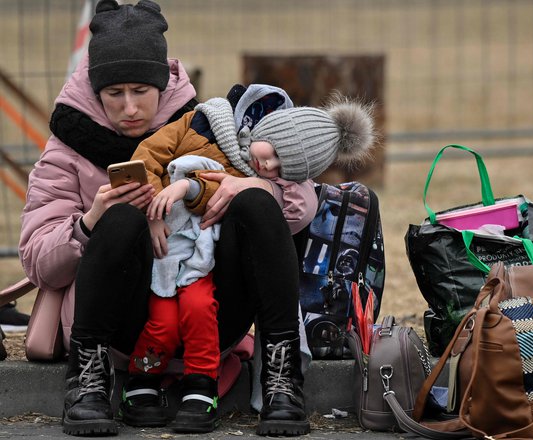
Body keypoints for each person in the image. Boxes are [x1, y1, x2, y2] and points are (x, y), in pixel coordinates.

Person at [17, 0, 318, 436]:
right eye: (114, 94)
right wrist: (90, 221)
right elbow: (38, 262)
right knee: (121, 218)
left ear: (162, 84)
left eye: (141, 91)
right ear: (94, 91)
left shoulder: (208, 123)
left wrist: (249, 186)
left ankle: (282, 378)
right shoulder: (67, 147)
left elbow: (300, 206)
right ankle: (89, 383)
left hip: (211, 307)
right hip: (122, 321)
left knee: (256, 202)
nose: (129, 108)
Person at [122, 89, 376, 433]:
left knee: (251, 213)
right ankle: (138, 379)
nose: (269, 166)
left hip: (213, 277)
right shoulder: (207, 123)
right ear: (267, 131)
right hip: (164, 257)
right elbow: (153, 159)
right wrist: (154, 207)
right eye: (273, 153)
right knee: (163, 317)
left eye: (283, 168)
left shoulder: (290, 191)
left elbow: (291, 213)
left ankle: (261, 379)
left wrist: (255, 186)